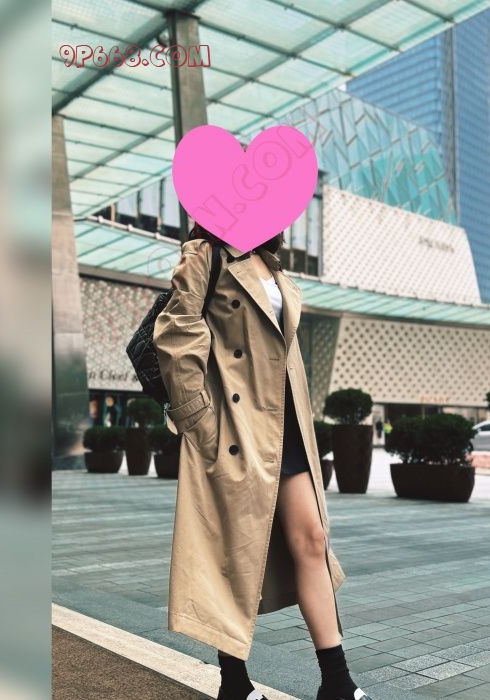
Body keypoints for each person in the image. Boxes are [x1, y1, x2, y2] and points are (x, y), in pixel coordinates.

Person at [153, 223, 373, 700]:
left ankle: (337, 683)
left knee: (312, 539)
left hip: (284, 424)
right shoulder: (207, 254)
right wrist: (202, 425)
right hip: (234, 427)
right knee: (235, 550)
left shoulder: (272, 264)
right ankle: (234, 682)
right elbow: (176, 333)